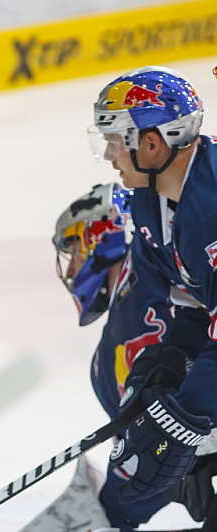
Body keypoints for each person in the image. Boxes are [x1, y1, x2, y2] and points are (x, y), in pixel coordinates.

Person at [88, 66, 217, 525]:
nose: (107, 154)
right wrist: (158, 374)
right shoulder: (150, 203)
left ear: (151, 143)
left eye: (115, 140)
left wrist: (186, 415)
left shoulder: (212, 209)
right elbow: (189, 304)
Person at [53, 182, 178, 529]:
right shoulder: (104, 359)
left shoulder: (154, 253)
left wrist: (112, 510)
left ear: (100, 234)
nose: (72, 269)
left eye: (75, 249)